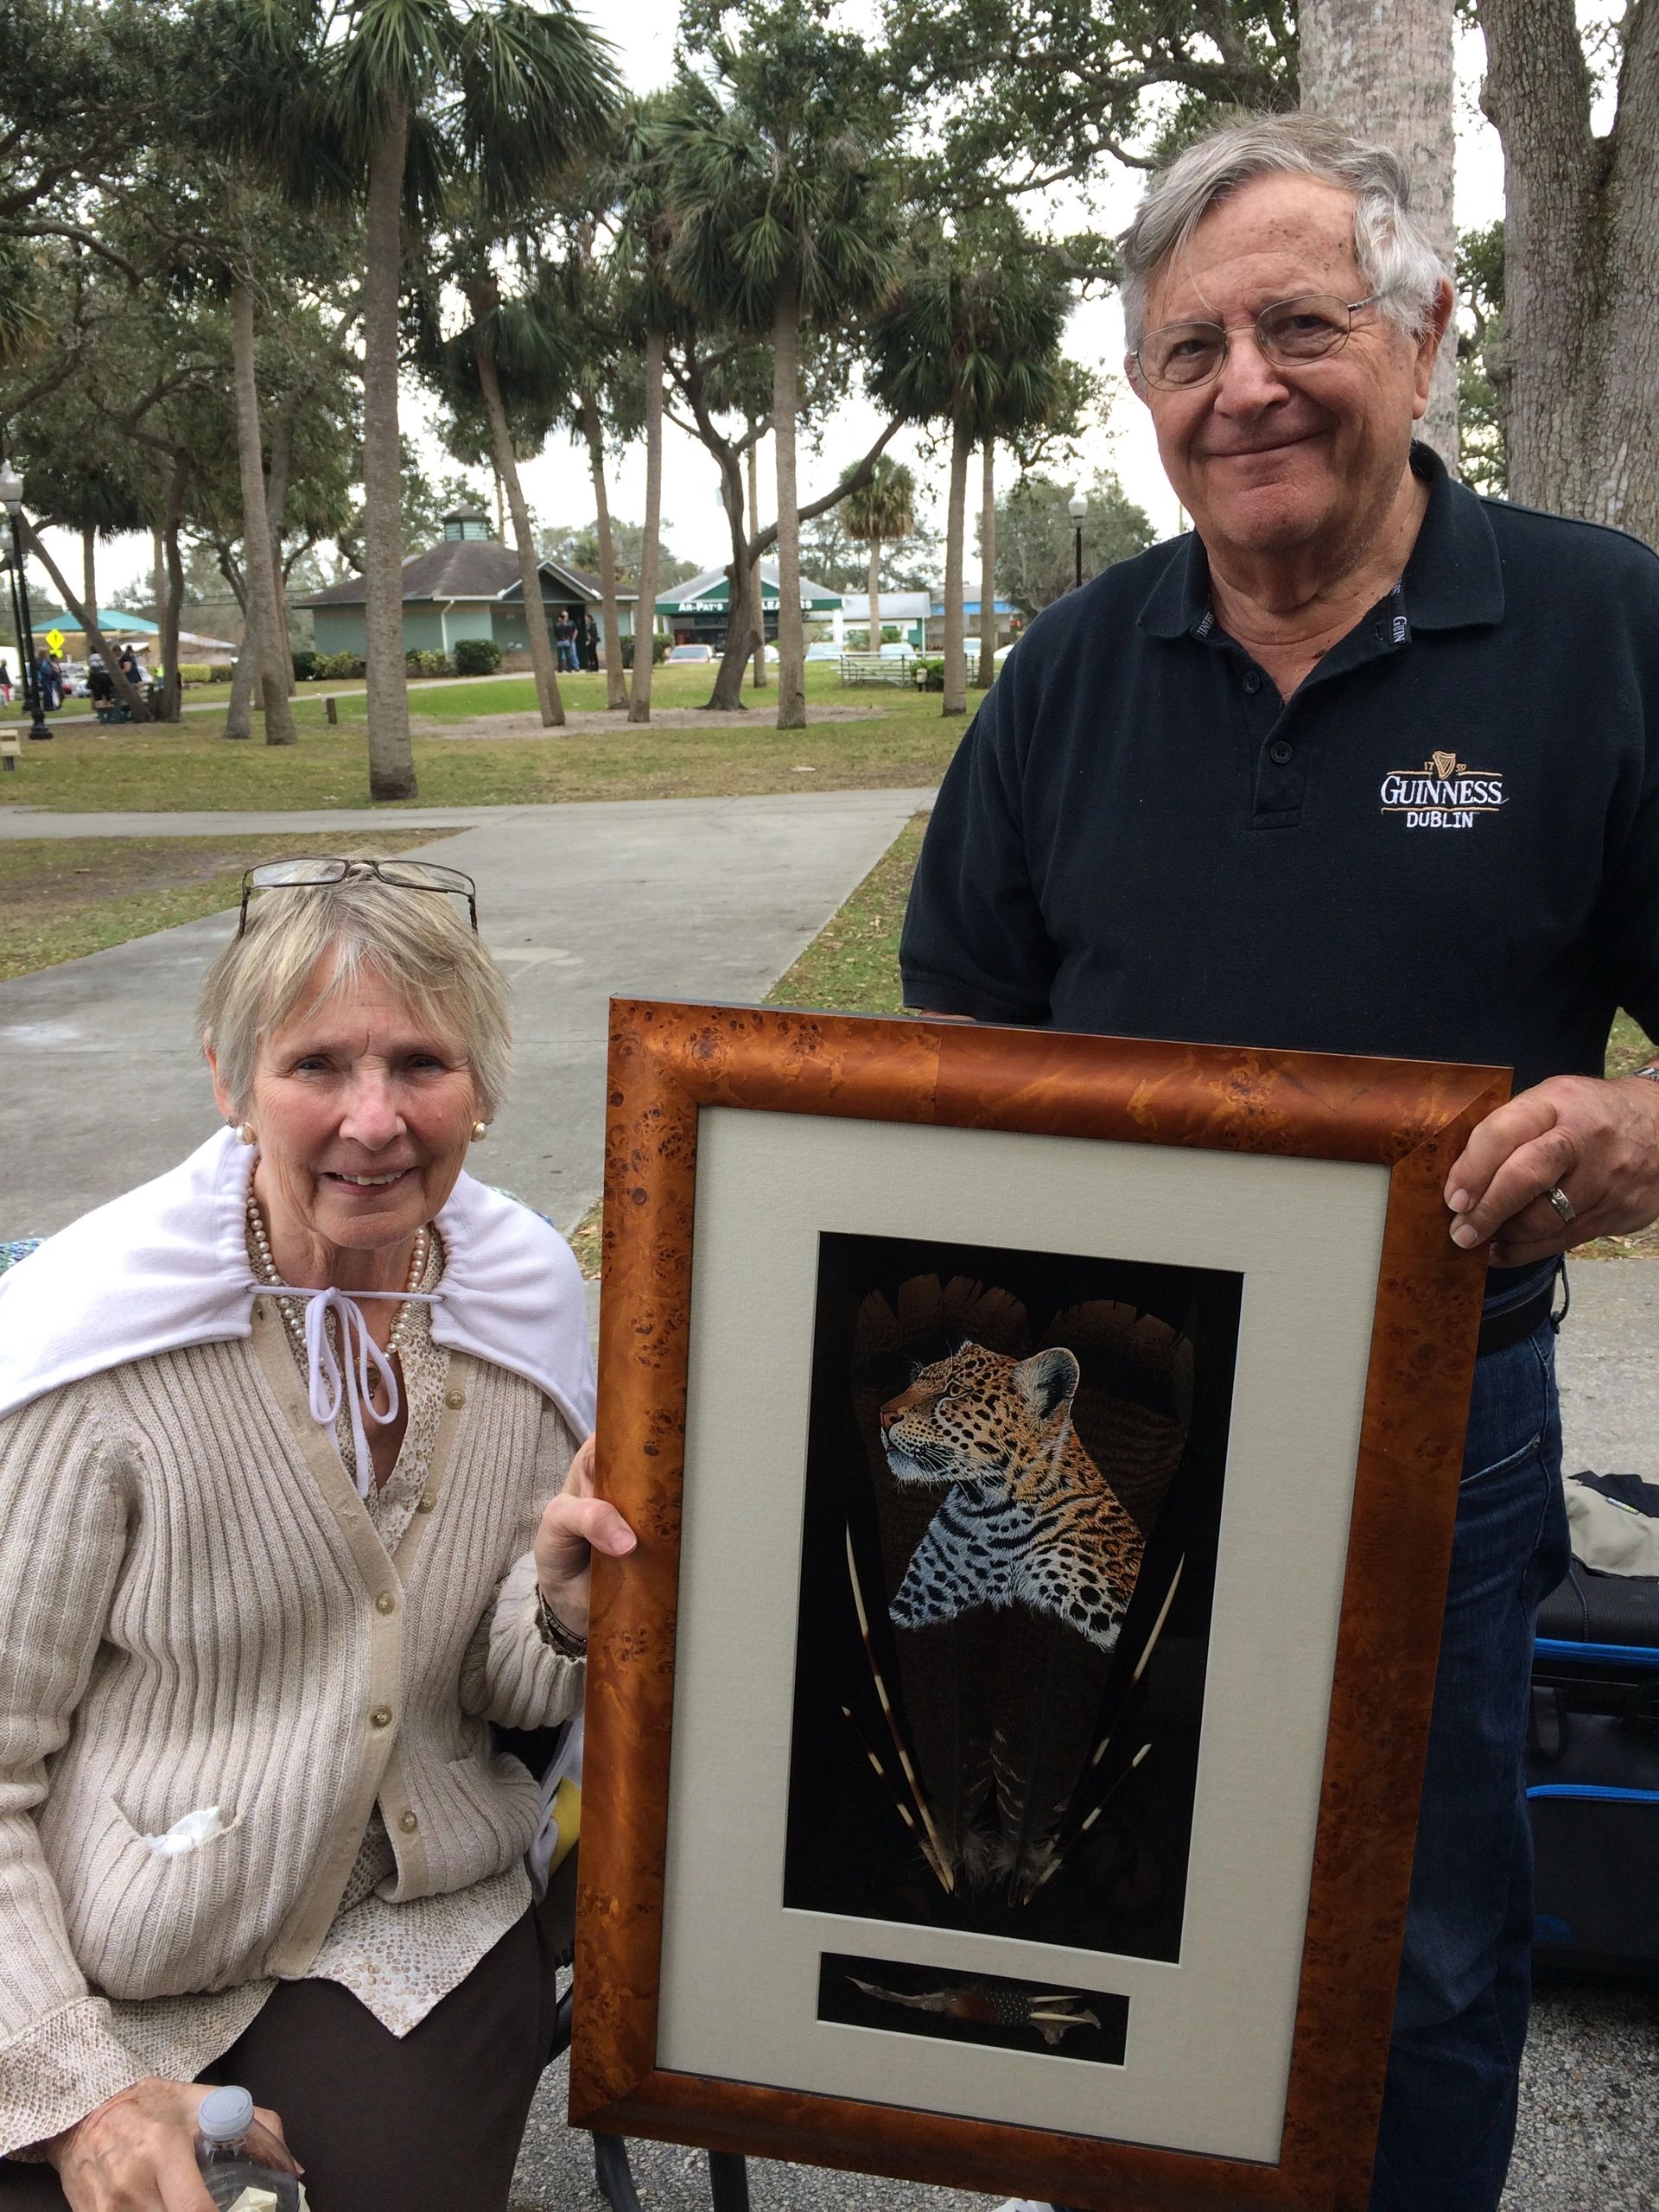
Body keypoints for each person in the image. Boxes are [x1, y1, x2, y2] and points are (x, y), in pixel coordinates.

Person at [899, 114, 1659, 2212]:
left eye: (1302, 324)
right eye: (1189, 347)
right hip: (1105, 1427)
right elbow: (956, 1027)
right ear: (1145, 396)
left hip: (1442, 1410)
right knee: (1103, 1870)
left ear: (1421, 337)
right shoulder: (1069, 670)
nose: (1246, 384)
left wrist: (1643, 1128)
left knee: (1414, 1929)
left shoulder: (1608, 634)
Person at [0, 857, 635, 2212]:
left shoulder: (520, 1326)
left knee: (344, 2196)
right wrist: (72, 2089)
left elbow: (493, 1695)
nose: (375, 1119)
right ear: (231, 1083)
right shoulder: (102, 1366)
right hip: (116, 1944)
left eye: (422, 1062)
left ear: (484, 1086)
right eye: (317, 1066)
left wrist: (565, 1609)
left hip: (408, 1928)